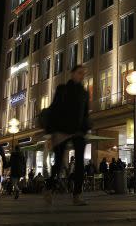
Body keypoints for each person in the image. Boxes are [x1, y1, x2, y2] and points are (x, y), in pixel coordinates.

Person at [44, 65, 92, 206]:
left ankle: (77, 195)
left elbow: (85, 114)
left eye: (83, 73)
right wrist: (51, 132)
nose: (82, 75)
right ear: (72, 74)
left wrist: (86, 129)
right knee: (58, 163)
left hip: (78, 131)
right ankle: (49, 189)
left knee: (79, 164)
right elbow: (54, 109)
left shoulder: (84, 93)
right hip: (61, 130)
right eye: (79, 73)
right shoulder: (62, 89)